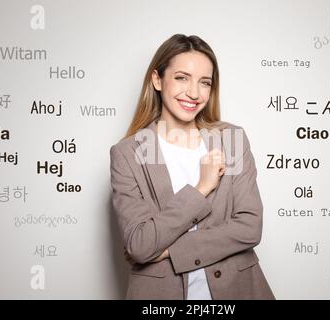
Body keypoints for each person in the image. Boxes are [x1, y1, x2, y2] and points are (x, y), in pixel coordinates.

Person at [109, 34, 275, 300]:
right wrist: (201, 188)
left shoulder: (231, 140)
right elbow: (140, 245)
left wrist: (168, 251)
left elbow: (250, 227)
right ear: (157, 80)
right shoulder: (128, 154)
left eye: (204, 82)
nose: (194, 93)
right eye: (182, 78)